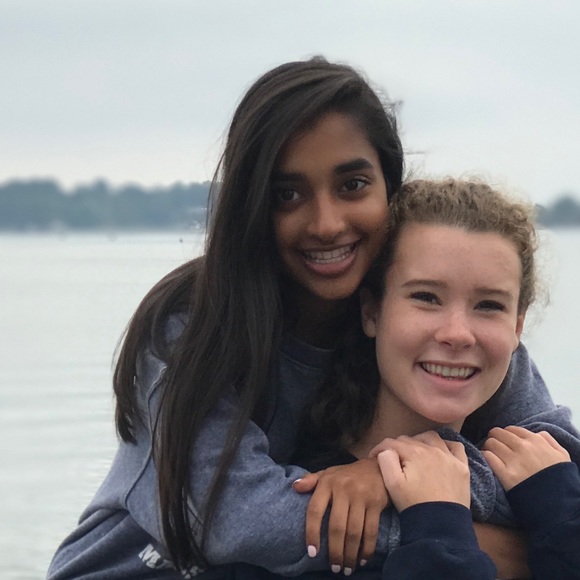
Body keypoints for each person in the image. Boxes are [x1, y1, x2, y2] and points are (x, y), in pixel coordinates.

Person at [47, 58, 578, 580]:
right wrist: (438, 526)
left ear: (389, 188)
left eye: (352, 185)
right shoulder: (197, 326)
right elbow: (236, 522)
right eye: (288, 194)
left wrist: (394, 476)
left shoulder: (433, 320)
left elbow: (552, 453)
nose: (326, 223)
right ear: (252, 205)